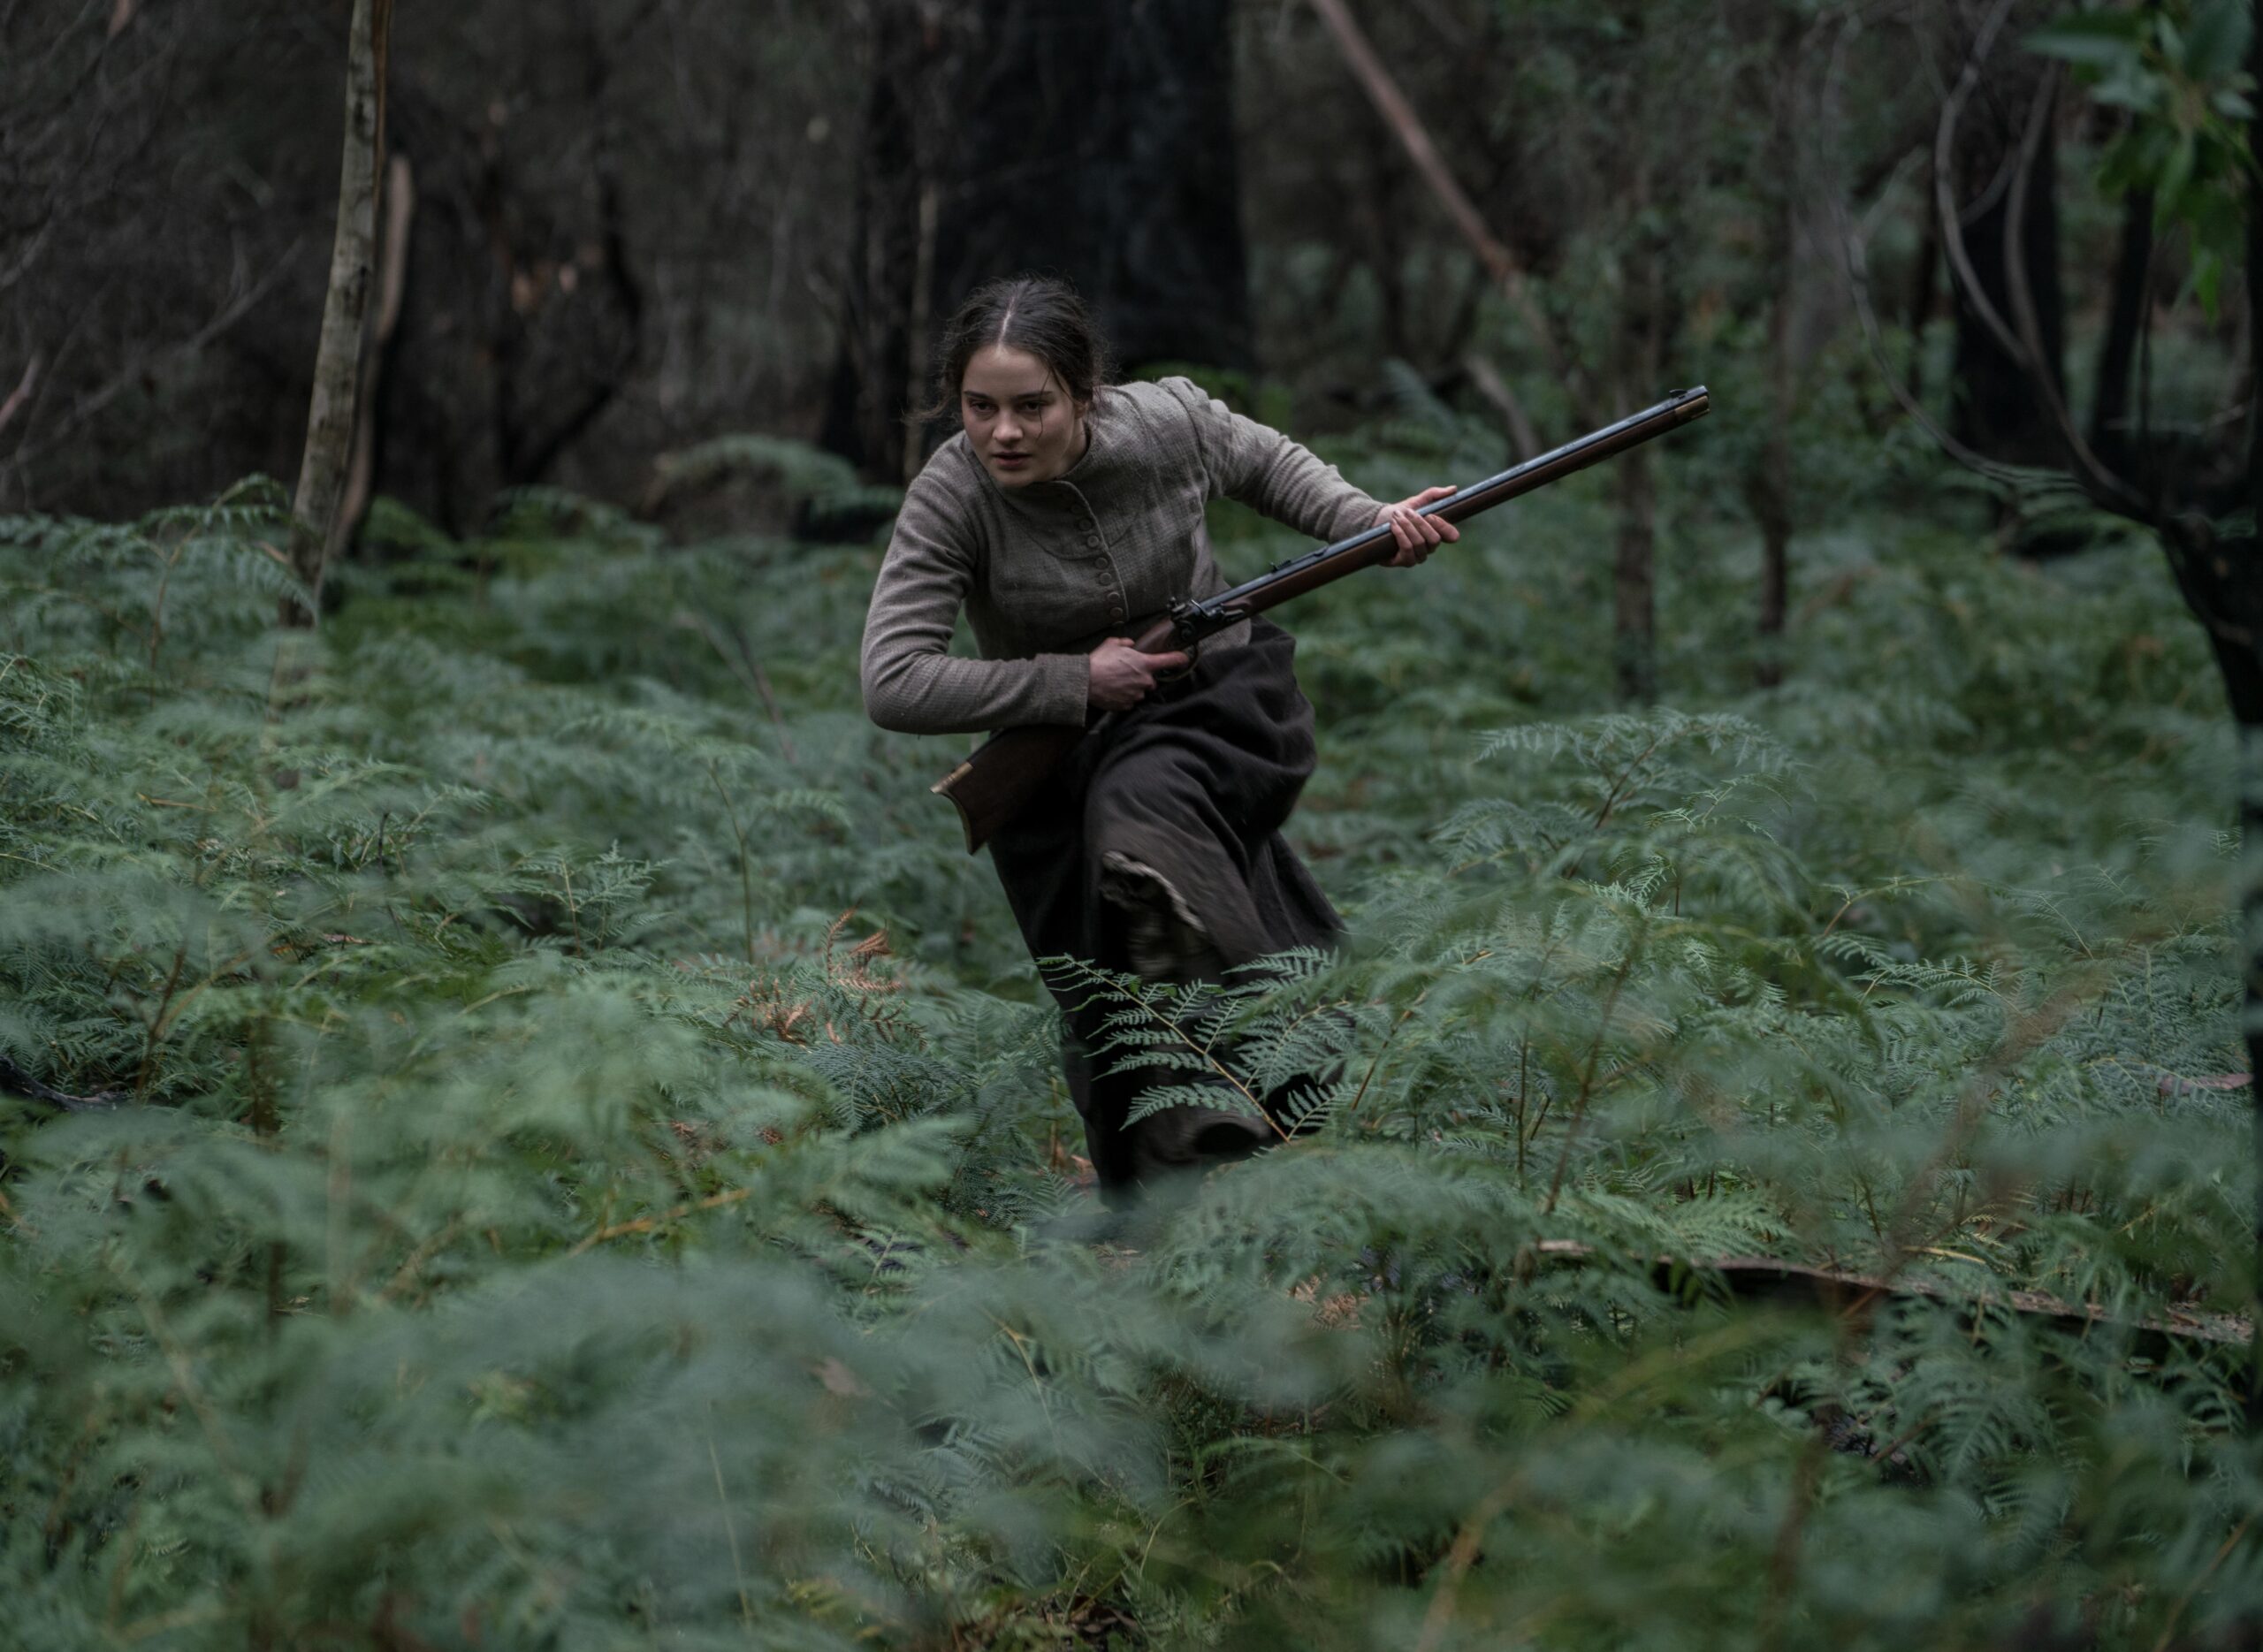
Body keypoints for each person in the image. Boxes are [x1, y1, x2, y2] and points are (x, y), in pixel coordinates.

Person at [860, 274, 1456, 1202]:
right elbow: (893, 678)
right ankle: (1177, 1203)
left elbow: (1268, 464)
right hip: (1055, 762)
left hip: (1214, 708)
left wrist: (1369, 521)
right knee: (1103, 995)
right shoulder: (951, 495)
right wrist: (1070, 681)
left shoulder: (1165, 422)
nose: (1003, 432)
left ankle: (1249, 1090)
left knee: (1142, 813)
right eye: (980, 408)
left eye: (1031, 406)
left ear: (1084, 394)